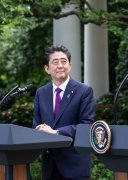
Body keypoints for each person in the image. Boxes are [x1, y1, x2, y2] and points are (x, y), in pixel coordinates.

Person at [33, 45, 95, 180]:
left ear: (70, 66)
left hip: (75, 167)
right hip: (50, 166)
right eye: (55, 62)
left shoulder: (84, 91)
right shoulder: (41, 93)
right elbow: (36, 125)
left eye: (64, 61)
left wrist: (56, 133)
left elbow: (86, 126)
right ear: (47, 69)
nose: (60, 65)